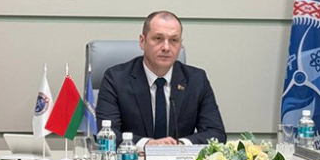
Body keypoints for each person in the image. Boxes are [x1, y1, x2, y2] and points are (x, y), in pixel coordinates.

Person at [96, 11, 226, 149]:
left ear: (180, 45)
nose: (166, 47)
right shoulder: (116, 79)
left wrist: (180, 145)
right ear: (142, 41)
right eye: (158, 38)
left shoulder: (197, 80)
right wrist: (148, 144)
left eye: (174, 40)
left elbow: (216, 133)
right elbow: (105, 133)